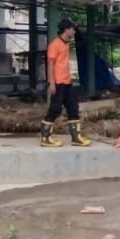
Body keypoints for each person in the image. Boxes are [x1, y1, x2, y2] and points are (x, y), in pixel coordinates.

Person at [40, 19, 91, 147]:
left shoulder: (66, 44)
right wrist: (51, 83)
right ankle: (45, 137)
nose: (74, 31)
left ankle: (76, 137)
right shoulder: (55, 45)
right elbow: (50, 65)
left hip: (67, 82)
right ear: (66, 29)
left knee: (73, 108)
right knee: (55, 109)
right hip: (58, 82)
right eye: (73, 29)